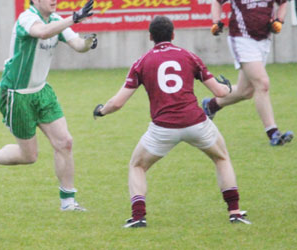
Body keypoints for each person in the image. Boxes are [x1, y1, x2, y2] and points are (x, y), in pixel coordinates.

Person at [93, 15, 251, 227]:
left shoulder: (142, 62)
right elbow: (219, 92)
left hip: (162, 129)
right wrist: (228, 87)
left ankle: (138, 217)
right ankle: (235, 212)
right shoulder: (189, 56)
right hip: (196, 123)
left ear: (150, 37)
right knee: (221, 158)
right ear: (173, 35)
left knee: (137, 165)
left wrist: (102, 111)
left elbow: (118, 103)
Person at [0, 0, 98, 211]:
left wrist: (89, 43)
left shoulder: (57, 20)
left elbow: (77, 44)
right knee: (29, 156)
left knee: (65, 142)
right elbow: (43, 32)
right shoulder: (27, 18)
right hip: (16, 95)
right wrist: (74, 18)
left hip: (42, 91)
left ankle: (68, 202)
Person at [202, 0, 293, 146]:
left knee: (246, 91)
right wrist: (216, 22)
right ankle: (273, 133)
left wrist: (279, 19)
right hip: (241, 38)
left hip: (264, 39)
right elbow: (217, 1)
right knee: (262, 83)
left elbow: (284, 2)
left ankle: (211, 105)